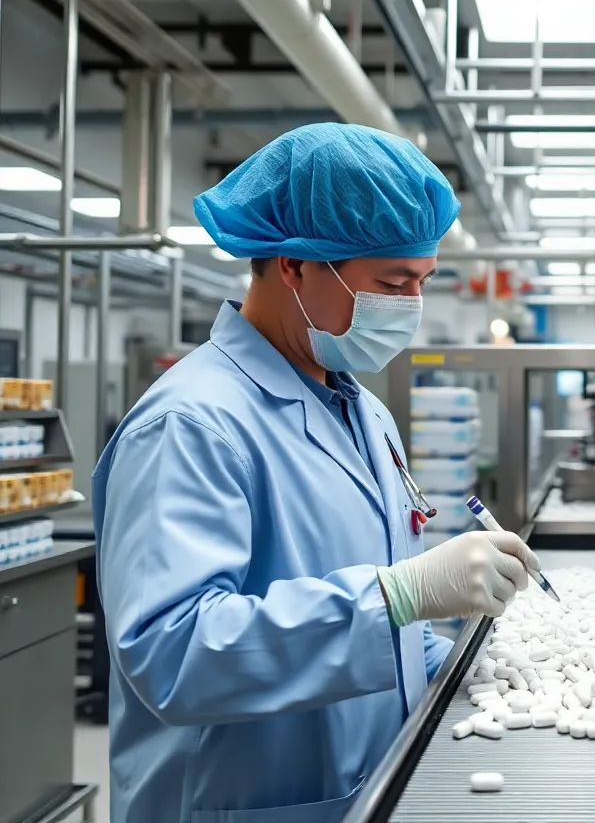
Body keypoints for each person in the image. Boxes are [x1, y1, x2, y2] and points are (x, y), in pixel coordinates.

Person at [94, 123, 541, 822]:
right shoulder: (190, 425)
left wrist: (455, 660)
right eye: (392, 284)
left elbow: (382, 602)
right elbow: (171, 654)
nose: (410, 310)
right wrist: (399, 595)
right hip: (235, 802)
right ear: (295, 266)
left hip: (360, 790)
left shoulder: (361, 411)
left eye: (421, 283)